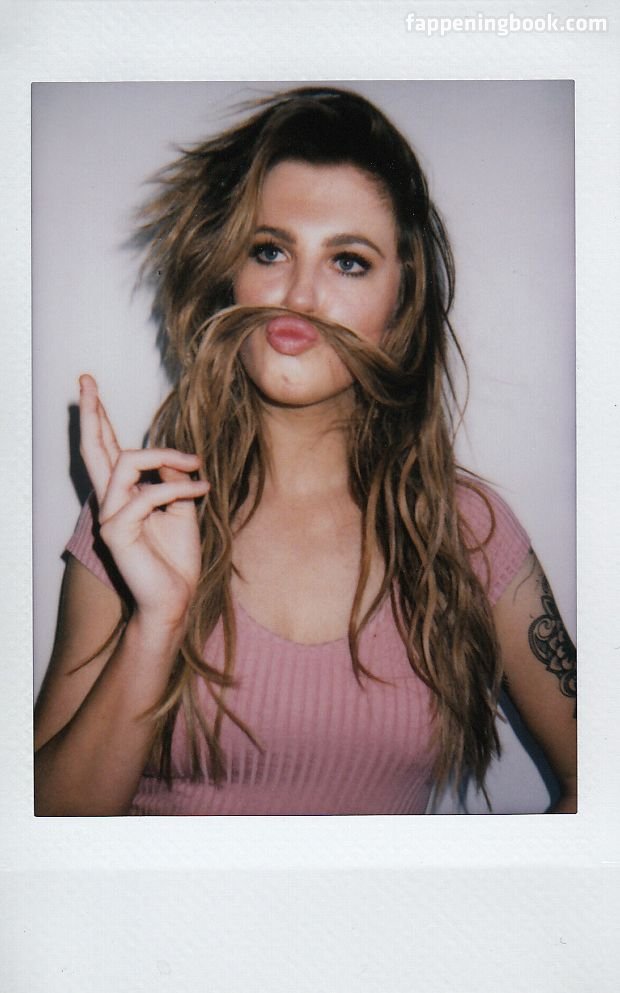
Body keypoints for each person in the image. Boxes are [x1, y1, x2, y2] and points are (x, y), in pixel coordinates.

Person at [33, 87, 577, 816]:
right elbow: (39, 828)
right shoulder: (139, 514)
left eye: (348, 262)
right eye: (270, 251)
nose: (298, 295)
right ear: (228, 275)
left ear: (402, 304)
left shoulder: (466, 530)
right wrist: (155, 624)